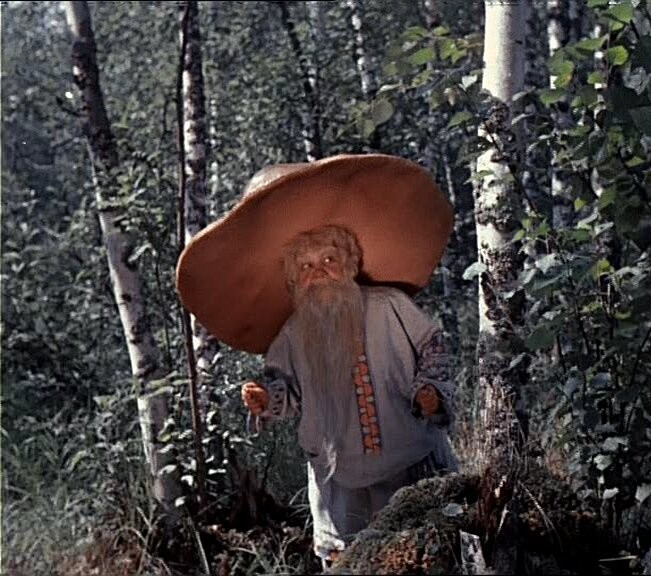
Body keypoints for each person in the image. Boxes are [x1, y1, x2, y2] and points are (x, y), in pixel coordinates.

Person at [176, 154, 459, 565]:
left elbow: (432, 348)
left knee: (426, 556)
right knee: (351, 563)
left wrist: (429, 390)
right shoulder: (293, 334)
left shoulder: (389, 306)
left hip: (411, 465)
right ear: (294, 279)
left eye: (329, 260)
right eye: (306, 266)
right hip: (340, 482)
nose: (319, 272)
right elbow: (285, 391)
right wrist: (266, 399)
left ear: (350, 263)